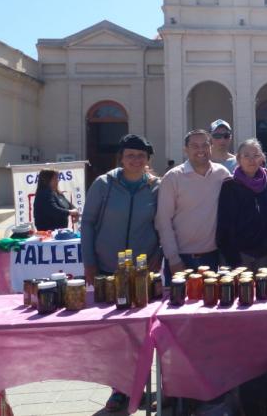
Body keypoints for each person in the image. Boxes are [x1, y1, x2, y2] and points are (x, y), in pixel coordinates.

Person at [80, 134, 161, 413]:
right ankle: (119, 390)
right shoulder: (104, 184)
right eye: (130, 155)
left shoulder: (155, 187)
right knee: (116, 335)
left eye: (140, 156)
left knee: (143, 333)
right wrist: (88, 262)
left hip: (141, 274)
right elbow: (87, 223)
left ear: (148, 160)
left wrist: (157, 258)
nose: (135, 160)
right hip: (107, 270)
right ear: (121, 158)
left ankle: (140, 385)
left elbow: (162, 226)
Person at [156, 129, 231, 276]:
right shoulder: (172, 178)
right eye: (195, 146)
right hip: (182, 258)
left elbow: (241, 189)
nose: (201, 149)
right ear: (186, 150)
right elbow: (163, 221)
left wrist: (265, 172)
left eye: (205, 145)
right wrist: (173, 259)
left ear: (211, 147)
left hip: (214, 257)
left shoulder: (222, 174)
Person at [217, 138, 267, 272]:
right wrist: (233, 258)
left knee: (264, 292)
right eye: (246, 156)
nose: (252, 160)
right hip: (239, 255)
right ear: (238, 159)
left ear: (262, 158)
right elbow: (224, 225)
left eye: (256, 155)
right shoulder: (229, 185)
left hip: (265, 254)